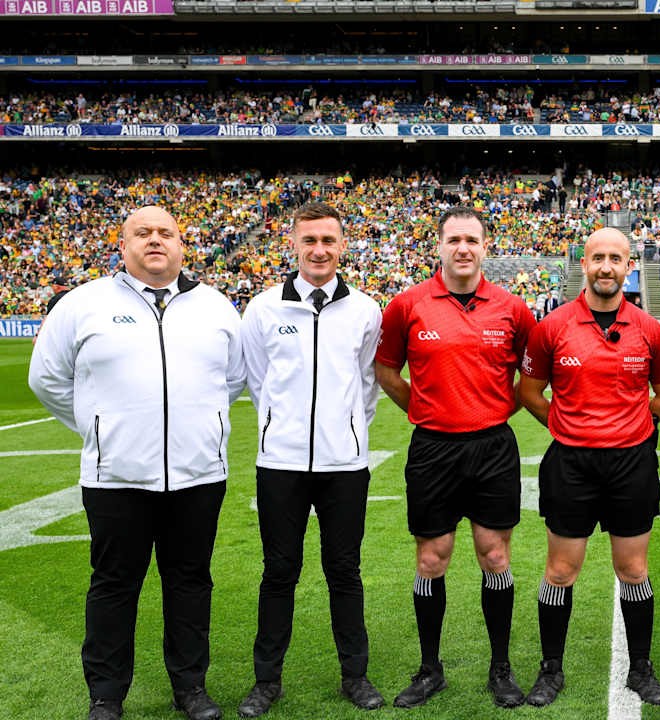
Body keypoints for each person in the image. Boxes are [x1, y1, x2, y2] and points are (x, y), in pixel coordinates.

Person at [28, 206, 246, 720]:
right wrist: (100, 429)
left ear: (182, 244)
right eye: (142, 233)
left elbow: (233, 379)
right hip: (116, 478)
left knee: (190, 584)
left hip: (198, 475)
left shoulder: (216, 306)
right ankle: (106, 695)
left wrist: (202, 427)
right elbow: (47, 379)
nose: (155, 240)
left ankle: (190, 688)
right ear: (121, 244)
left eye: (165, 233)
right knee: (113, 585)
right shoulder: (84, 304)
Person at [374, 206, 537, 709]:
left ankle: (501, 668)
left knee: (495, 556)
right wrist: (426, 409)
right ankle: (429, 669)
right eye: (454, 240)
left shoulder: (513, 309)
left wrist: (493, 409)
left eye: (472, 240)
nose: (463, 248)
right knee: (431, 559)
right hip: (433, 448)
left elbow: (532, 379)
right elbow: (387, 371)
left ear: (485, 247)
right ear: (439, 246)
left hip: (492, 447)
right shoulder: (408, 305)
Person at [518, 227, 660, 708]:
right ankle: (551, 669)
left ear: (629, 266)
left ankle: (642, 669)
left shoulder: (648, 328)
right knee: (561, 570)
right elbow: (529, 391)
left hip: (631, 462)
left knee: (633, 569)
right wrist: (566, 425)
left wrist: (638, 419)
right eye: (598, 258)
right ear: (583, 264)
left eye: (616, 258)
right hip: (571, 463)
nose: (607, 266)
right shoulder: (552, 326)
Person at [235, 202, 385, 717]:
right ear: (293, 245)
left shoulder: (366, 310)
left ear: (343, 246)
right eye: (309, 240)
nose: (319, 250)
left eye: (328, 240)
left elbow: (367, 387)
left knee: (345, 570)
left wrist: (344, 433)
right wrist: (283, 428)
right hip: (280, 463)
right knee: (279, 571)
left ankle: (355, 676)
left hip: (345, 464)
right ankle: (266, 682)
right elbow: (258, 382)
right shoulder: (263, 308)